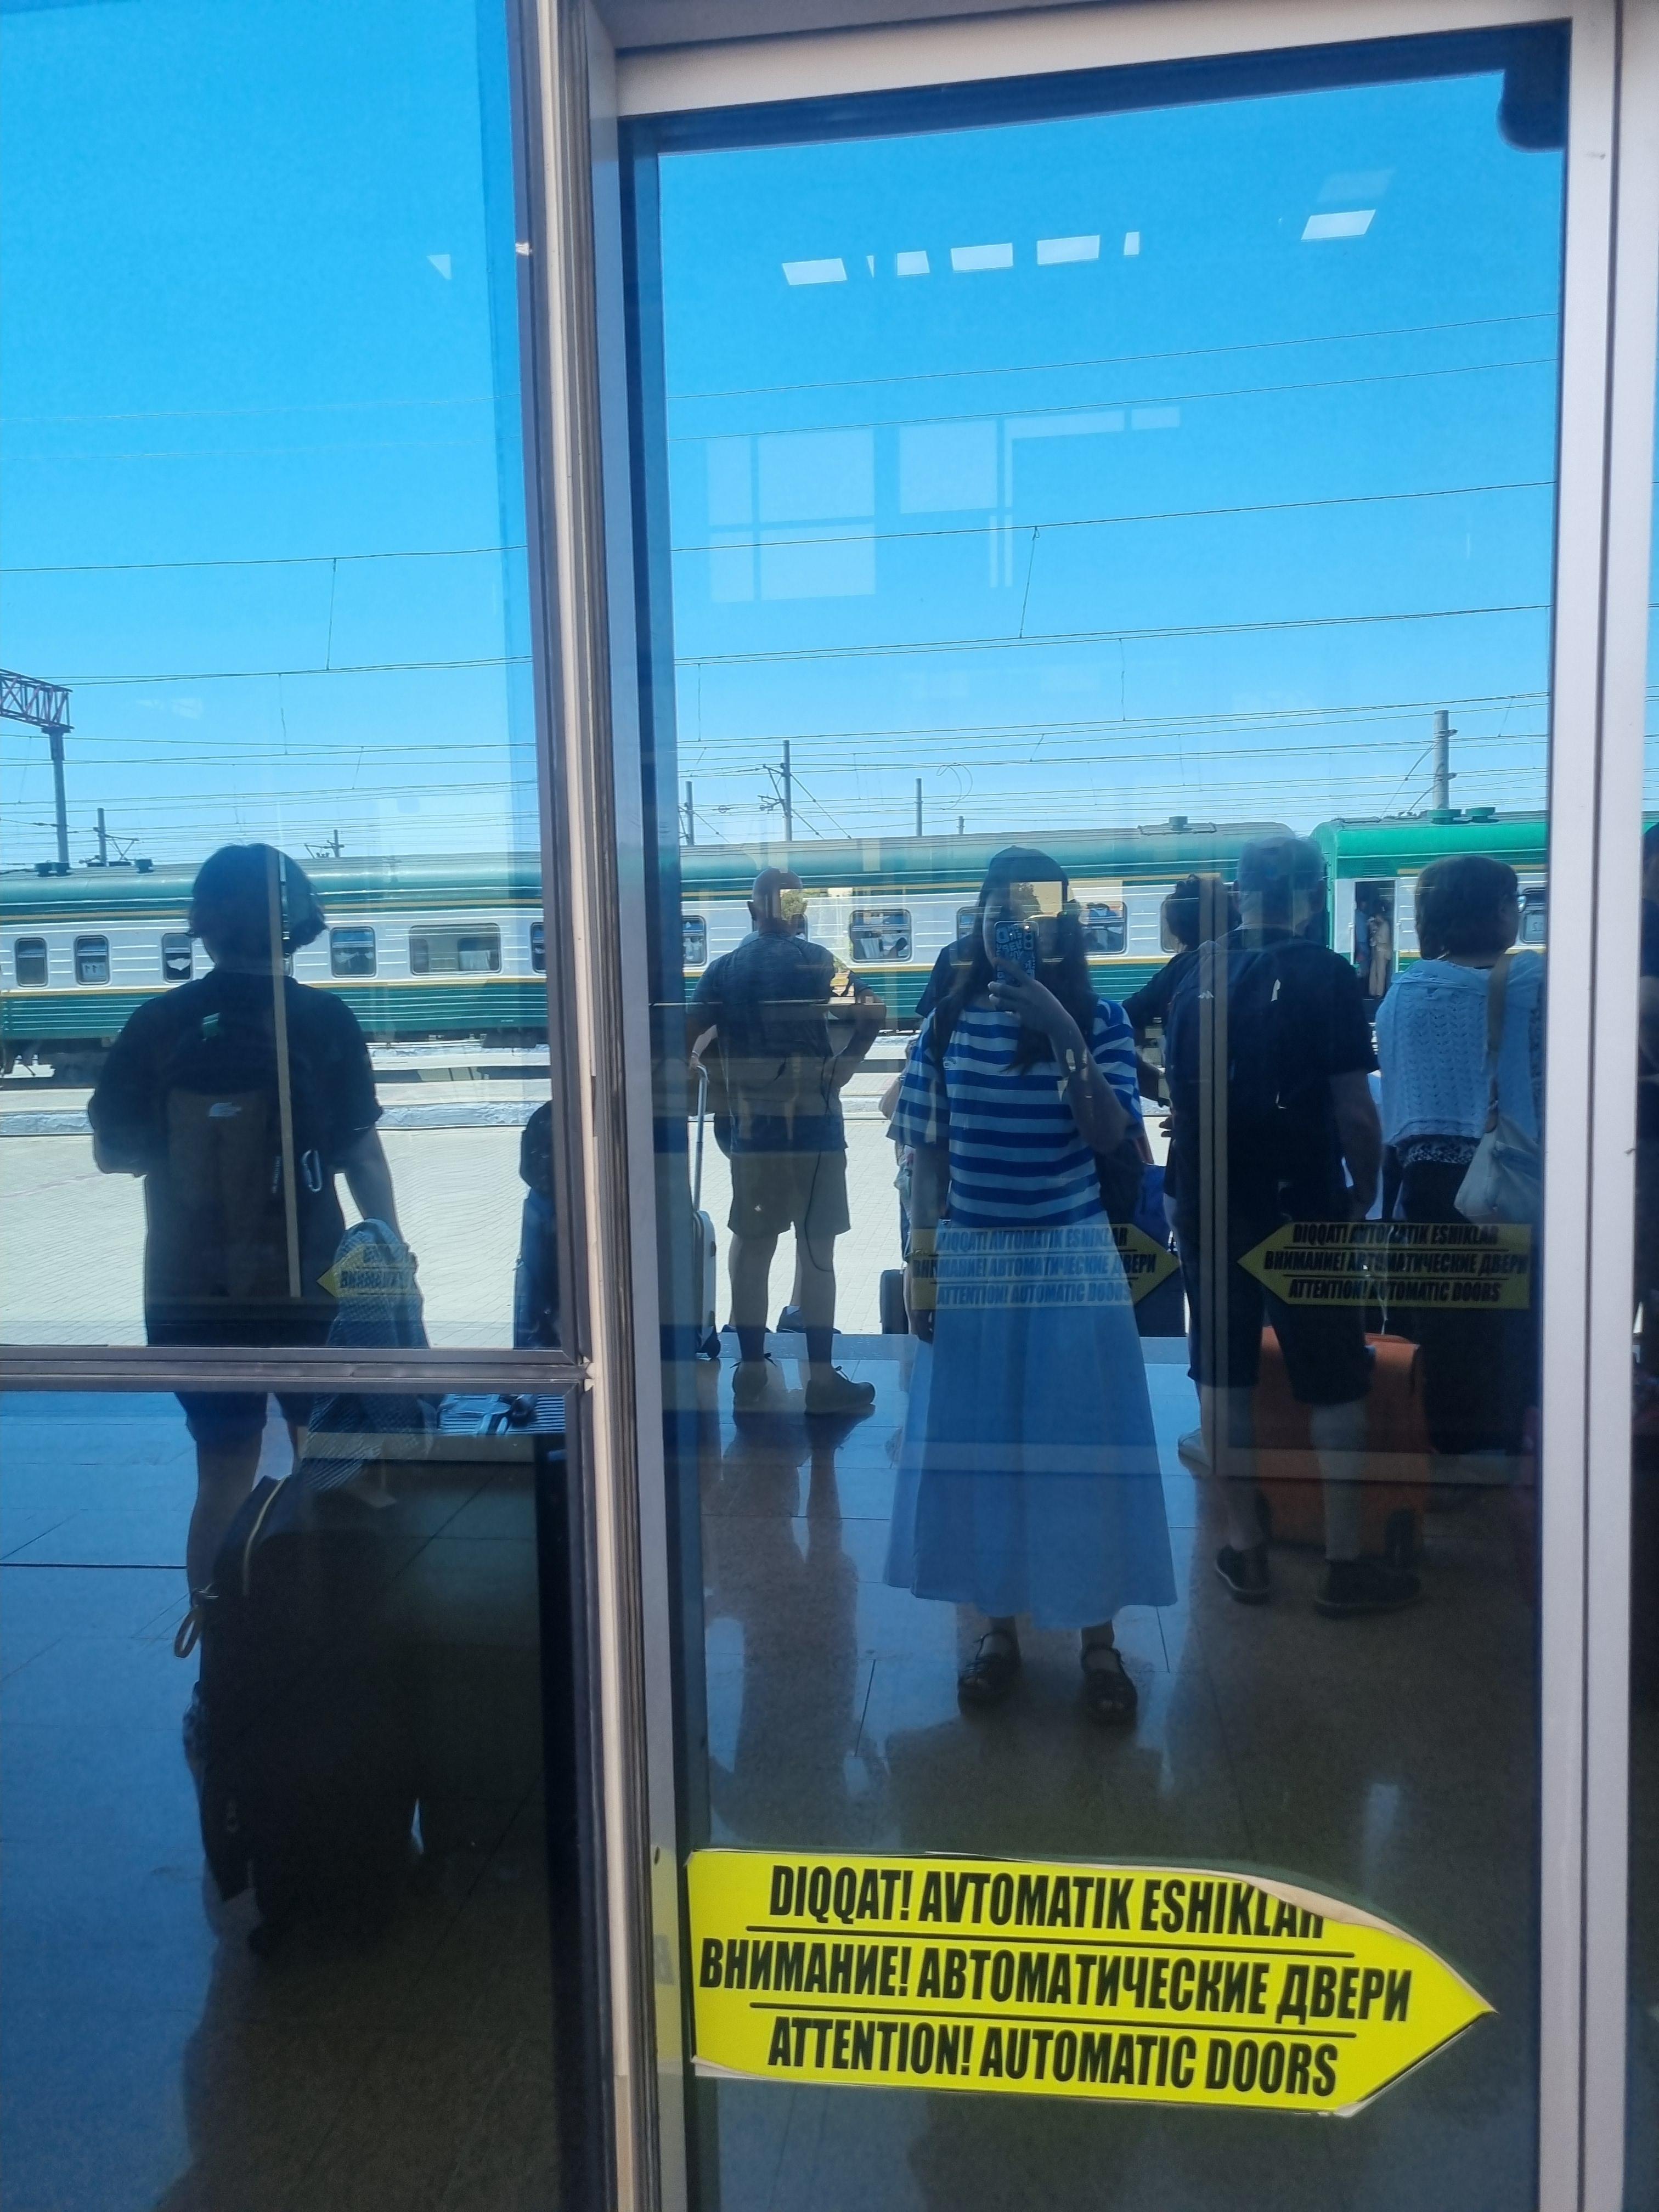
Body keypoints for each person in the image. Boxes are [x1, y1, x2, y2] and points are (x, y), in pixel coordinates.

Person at [885, 847, 1175, 1723]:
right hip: (974, 1257)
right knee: (986, 1449)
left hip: (1069, 1256)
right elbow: (928, 1162)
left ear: (1062, 926)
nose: (1010, 928)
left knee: (1082, 1447)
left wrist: (1062, 1031)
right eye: (995, 913)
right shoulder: (944, 1025)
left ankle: (1098, 1642)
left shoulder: (1103, 1019)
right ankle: (998, 1631)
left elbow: (1108, 1133)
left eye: (1030, 915)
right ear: (976, 924)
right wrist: (923, 1275)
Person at [88, 843, 399, 1621]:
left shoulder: (159, 1021)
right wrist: (391, 1248)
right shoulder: (324, 1020)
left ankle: (219, 1643)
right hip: (309, 1280)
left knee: (221, 1470)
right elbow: (361, 1153)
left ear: (203, 924)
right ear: (297, 921)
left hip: (189, 1286)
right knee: (327, 1460)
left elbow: (112, 1154)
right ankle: (335, 1632)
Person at [1164, 833, 1418, 1617]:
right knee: (1334, 1374)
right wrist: (1362, 1192)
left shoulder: (1196, 973)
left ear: (1240, 893)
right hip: (1301, 1199)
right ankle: (1344, 1562)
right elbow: (1356, 1113)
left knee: (1223, 1375)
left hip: (1207, 1199)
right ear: (1311, 893)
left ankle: (1246, 1550)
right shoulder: (1325, 972)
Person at [689, 866, 883, 1415]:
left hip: (754, 1133)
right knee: (817, 1251)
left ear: (752, 912)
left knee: (752, 1247)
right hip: (817, 1130)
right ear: (801, 912)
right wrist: (845, 1064)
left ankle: (751, 1368)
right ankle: (821, 1379)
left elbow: (685, 1039)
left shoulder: (724, 972)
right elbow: (871, 1011)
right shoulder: (818, 963)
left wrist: (722, 1087)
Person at [1374, 855, 1531, 1469]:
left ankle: (1439, 1449)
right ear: (1499, 910)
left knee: (1439, 1327)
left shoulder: (1405, 993)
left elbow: (1398, 1110)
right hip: (1511, 1184)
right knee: (1510, 1326)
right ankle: (1508, 1446)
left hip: (1426, 1185)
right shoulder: (1533, 987)